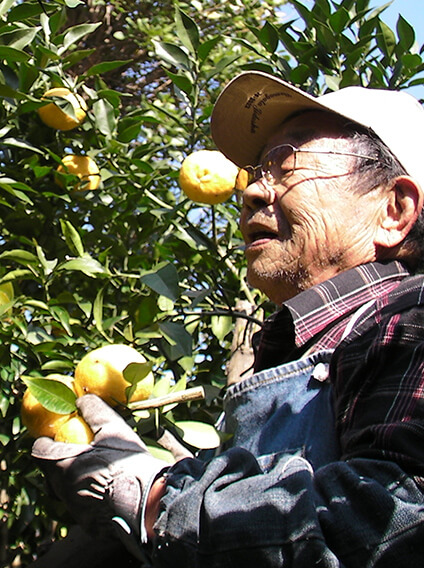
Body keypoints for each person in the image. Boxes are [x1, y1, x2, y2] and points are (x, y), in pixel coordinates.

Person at [31, 71, 424, 567]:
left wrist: (156, 503)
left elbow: (393, 520)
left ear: (394, 209)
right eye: (259, 169)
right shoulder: (297, 351)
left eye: (287, 164)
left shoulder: (410, 320)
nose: (254, 192)